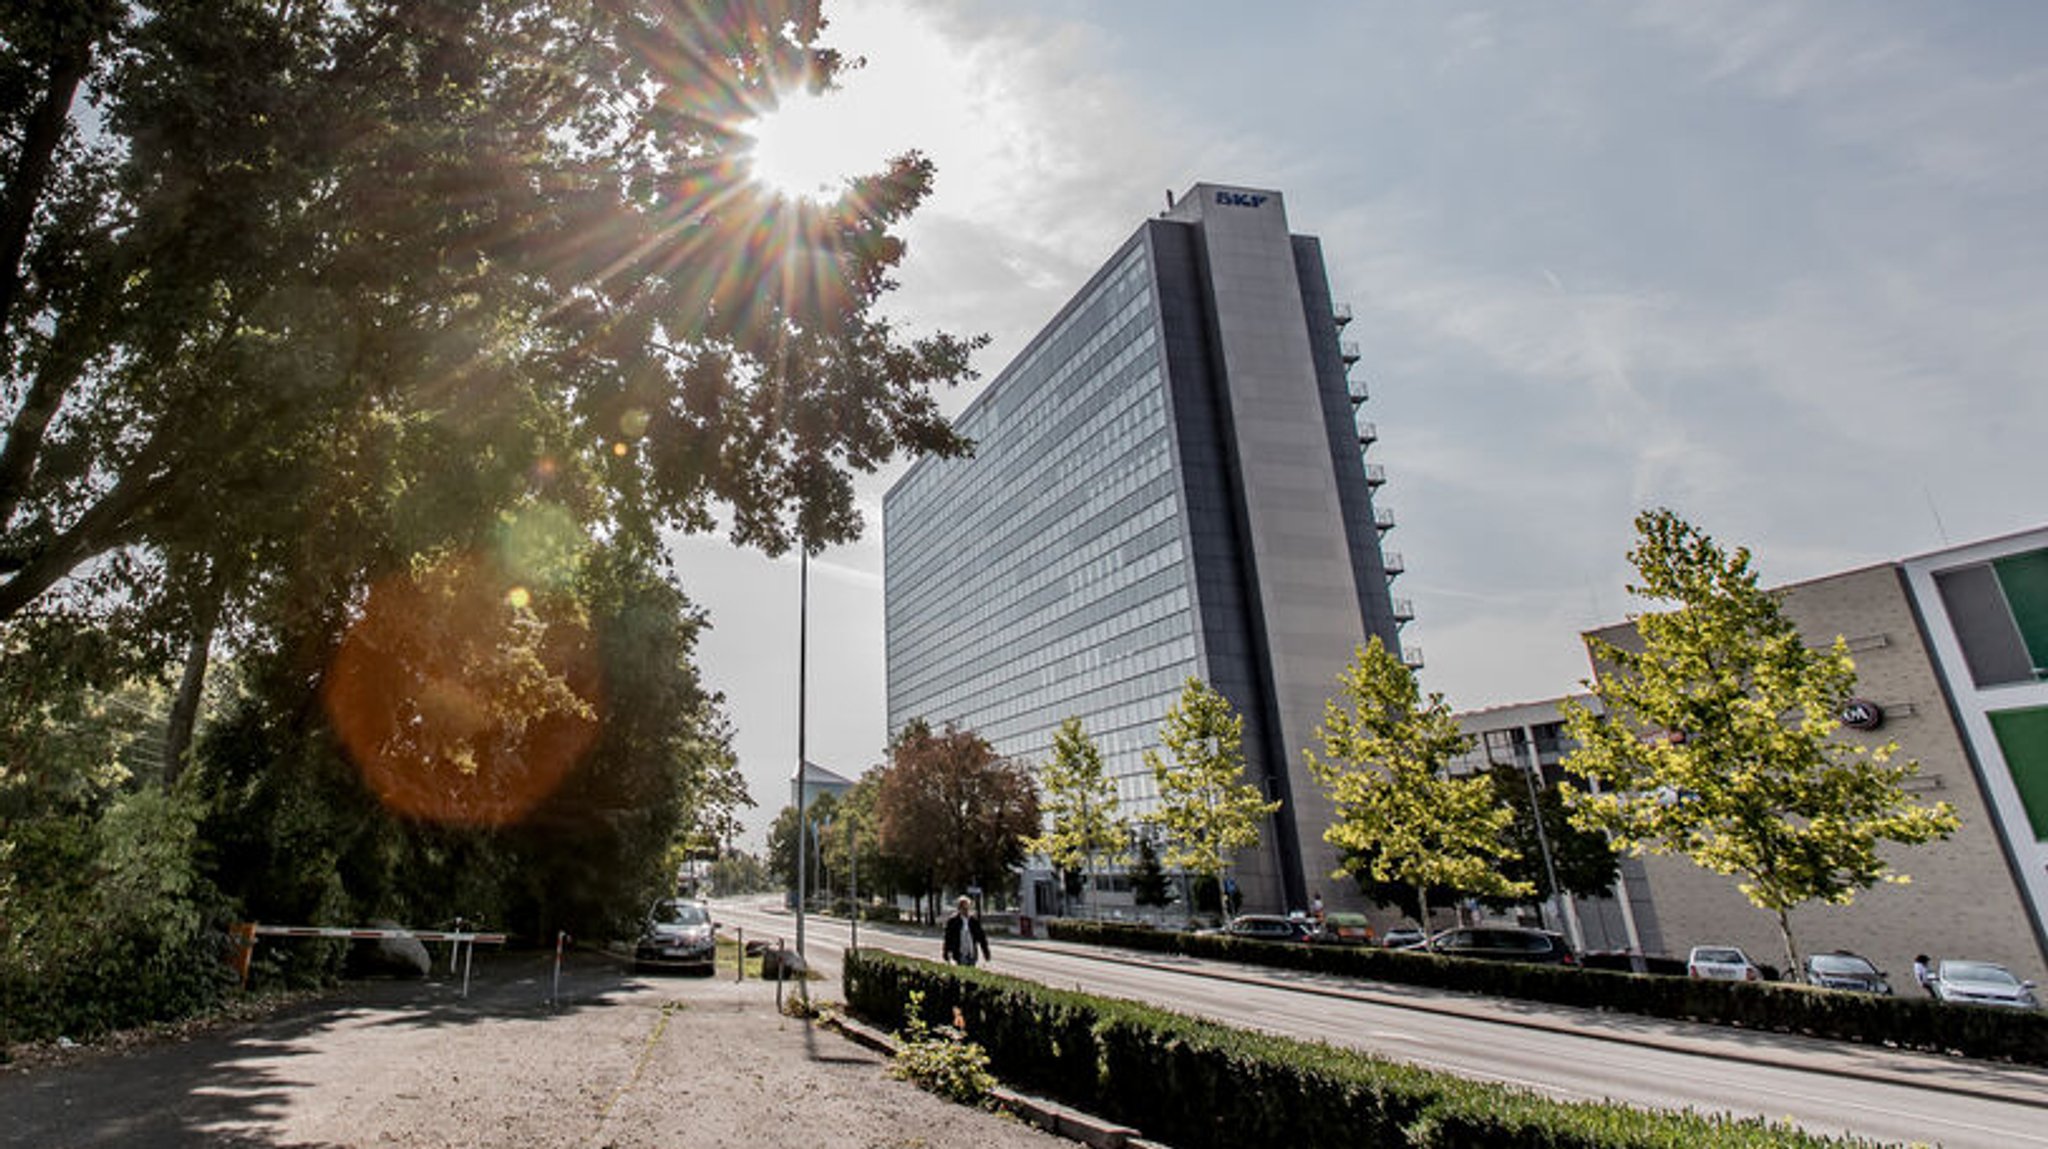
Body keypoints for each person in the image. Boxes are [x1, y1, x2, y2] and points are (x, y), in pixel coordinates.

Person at [943, 895, 990, 967]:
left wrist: (986, 952)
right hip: (959, 953)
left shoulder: (973, 921)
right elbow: (948, 938)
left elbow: (981, 937)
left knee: (971, 970)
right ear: (959, 908)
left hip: (971, 953)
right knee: (962, 971)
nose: (966, 910)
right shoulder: (953, 921)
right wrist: (946, 953)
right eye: (963, 908)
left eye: (967, 908)